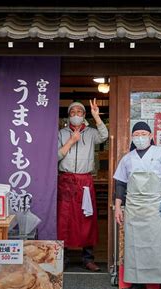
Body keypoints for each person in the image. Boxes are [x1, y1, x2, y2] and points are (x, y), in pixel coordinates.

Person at [113, 121, 161, 289]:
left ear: (150, 136)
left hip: (155, 205)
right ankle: (136, 283)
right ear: (133, 137)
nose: (140, 137)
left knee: (158, 244)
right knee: (134, 245)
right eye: (137, 134)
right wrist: (118, 207)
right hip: (133, 206)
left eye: (144, 133)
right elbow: (120, 183)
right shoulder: (127, 158)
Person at [57, 99, 108, 272]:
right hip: (65, 180)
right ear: (68, 115)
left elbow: (104, 136)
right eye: (73, 112)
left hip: (85, 181)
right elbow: (55, 156)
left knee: (87, 219)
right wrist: (71, 141)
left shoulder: (92, 132)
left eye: (80, 112)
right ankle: (63, 257)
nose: (76, 115)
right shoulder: (61, 133)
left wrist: (97, 117)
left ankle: (87, 258)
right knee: (64, 220)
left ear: (84, 115)